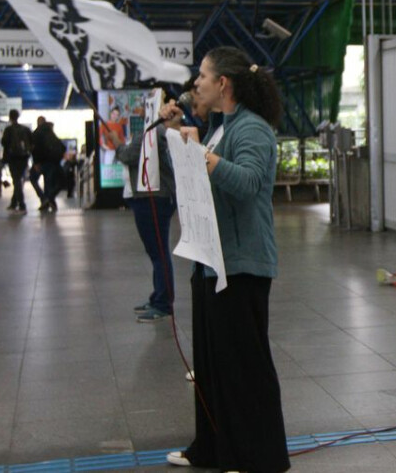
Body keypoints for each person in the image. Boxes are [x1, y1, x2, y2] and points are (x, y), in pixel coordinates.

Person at [160, 47, 289, 473]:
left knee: (244, 366)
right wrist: (181, 134)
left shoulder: (251, 129)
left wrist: (203, 155)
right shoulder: (217, 127)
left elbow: (249, 183)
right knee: (213, 367)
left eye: (203, 75)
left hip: (241, 265)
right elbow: (202, 173)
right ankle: (212, 448)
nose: (196, 83)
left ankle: (256, 457)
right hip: (211, 263)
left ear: (224, 84)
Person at [108, 112, 177, 324]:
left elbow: (128, 155)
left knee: (158, 252)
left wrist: (118, 143)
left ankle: (163, 303)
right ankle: (159, 297)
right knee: (156, 251)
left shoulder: (152, 133)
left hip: (153, 199)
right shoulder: (153, 133)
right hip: (152, 198)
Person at [0, 109, 32, 213]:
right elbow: (32, 142)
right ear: (18, 116)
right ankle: (14, 203)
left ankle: (22, 205)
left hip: (13, 158)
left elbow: (4, 142)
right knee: (18, 179)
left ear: (10, 117)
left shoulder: (8, 129)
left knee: (17, 180)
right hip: (24, 157)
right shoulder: (25, 129)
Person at [32, 119, 64, 213]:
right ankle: (49, 200)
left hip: (42, 162)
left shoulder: (36, 133)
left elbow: (34, 149)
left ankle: (45, 199)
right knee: (50, 182)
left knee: (33, 178)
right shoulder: (51, 134)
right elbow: (61, 147)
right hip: (53, 162)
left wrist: (36, 162)